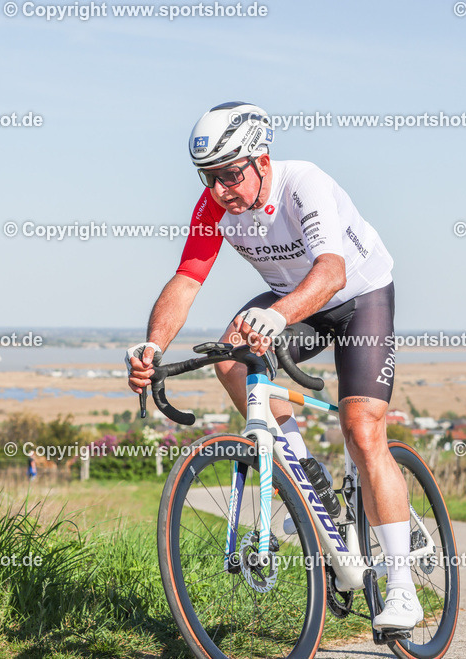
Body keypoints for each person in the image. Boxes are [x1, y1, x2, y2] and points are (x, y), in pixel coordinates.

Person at [125, 101, 421, 631]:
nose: (220, 191)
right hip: (292, 298)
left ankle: (401, 589)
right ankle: (308, 475)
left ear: (261, 159)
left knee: (361, 428)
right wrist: (153, 346)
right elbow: (188, 279)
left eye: (230, 175)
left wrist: (276, 317)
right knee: (229, 360)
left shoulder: (302, 183)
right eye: (208, 178)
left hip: (357, 296)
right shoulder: (214, 206)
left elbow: (330, 273)